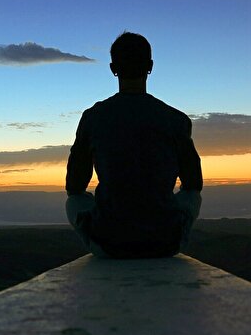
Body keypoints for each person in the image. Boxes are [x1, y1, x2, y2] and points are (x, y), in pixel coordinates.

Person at [65, 32, 202, 258]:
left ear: (113, 68)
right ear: (150, 66)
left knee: (75, 202)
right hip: (165, 243)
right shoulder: (176, 119)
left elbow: (74, 186)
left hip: (109, 244)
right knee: (190, 196)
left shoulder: (93, 117)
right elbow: (193, 184)